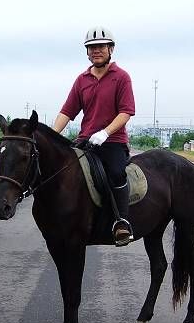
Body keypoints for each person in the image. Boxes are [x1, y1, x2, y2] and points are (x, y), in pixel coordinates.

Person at [52, 26, 136, 246]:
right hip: (86, 140)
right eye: (91, 47)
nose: (96, 50)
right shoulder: (82, 80)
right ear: (87, 52)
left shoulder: (121, 77)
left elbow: (126, 112)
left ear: (111, 49)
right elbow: (67, 112)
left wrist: (106, 132)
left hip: (113, 142)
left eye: (101, 46)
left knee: (116, 173)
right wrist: (52, 136)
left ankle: (122, 222)